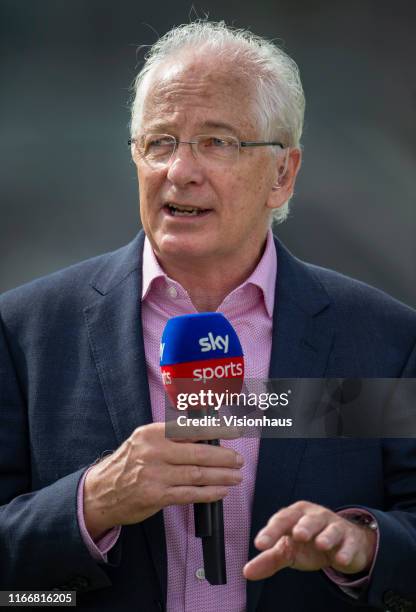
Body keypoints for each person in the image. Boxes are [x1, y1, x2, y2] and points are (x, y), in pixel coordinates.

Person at [1, 20, 416, 612]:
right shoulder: (25, 332)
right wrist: (91, 503)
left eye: (218, 142)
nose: (180, 170)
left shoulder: (386, 341)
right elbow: (14, 593)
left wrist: (365, 546)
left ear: (282, 174)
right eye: (160, 142)